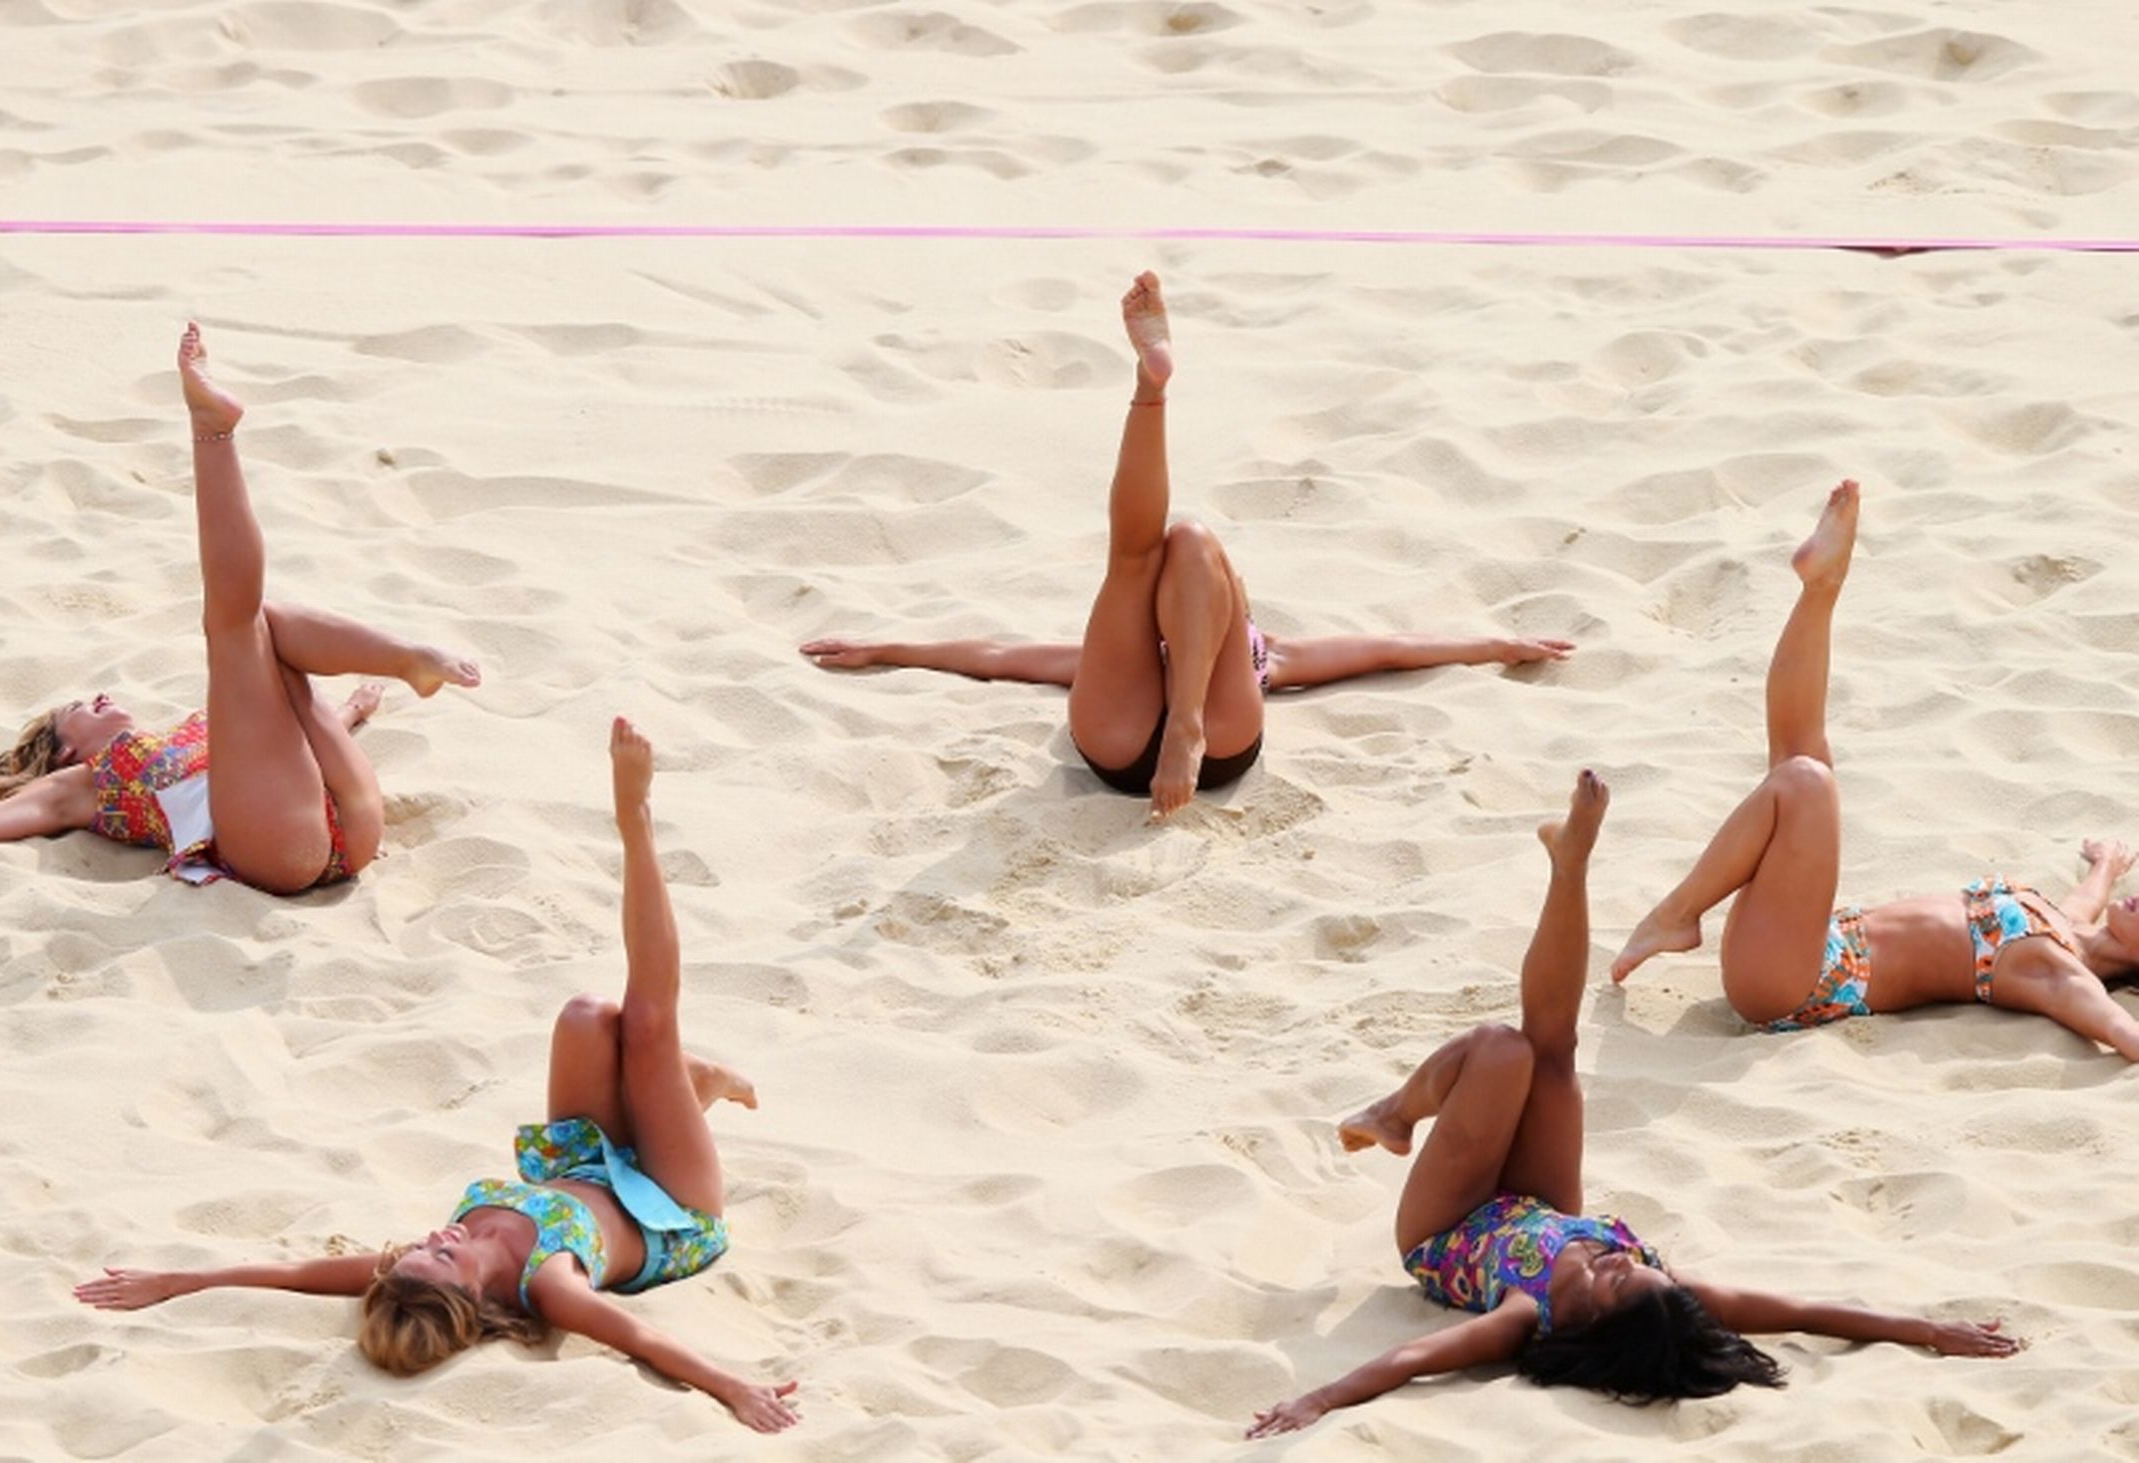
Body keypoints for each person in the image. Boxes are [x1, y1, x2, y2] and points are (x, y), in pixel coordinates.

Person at [75, 718, 801, 1434]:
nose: (430, 1240)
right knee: (644, 1024)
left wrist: (178, 1281)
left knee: (585, 1017)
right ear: (472, 1301)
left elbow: (295, 1273)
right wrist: (735, 1388)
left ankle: (682, 1086)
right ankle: (635, 824)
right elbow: (643, 1341)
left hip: (587, 1163)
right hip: (670, 1206)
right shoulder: (548, 1284)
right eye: (439, 1258)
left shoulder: (419, 1261)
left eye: (416, 1252)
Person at [1246, 770, 2017, 1438]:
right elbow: (1804, 1311)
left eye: (1611, 1278)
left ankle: (1398, 1112)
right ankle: (1569, 864)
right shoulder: (1657, 1284)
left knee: (1498, 1047)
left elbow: (1414, 1358)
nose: (1617, 1257)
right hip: (1542, 1202)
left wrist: (1317, 1399)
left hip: (1448, 1225)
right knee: (1552, 1050)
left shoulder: (1523, 1313)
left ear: (1585, 1323)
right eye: (1632, 1266)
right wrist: (1924, 1328)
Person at [799, 272, 1574, 820]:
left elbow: (997, 656)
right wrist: (1493, 643)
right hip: (1219, 740)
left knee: (1134, 557)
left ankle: (1151, 390)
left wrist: (884, 647)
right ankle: (1189, 721)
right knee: (1189, 538)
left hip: (1111, 742)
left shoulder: (1116, 657)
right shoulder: (1269, 658)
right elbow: (1393, 649)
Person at [0, 324, 480, 893]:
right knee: (234, 625)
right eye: (78, 706)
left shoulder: (186, 737)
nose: (100, 696)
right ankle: (212, 433)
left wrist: (351, 711)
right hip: (275, 848)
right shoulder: (79, 784)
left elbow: (271, 742)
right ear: (65, 748)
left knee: (260, 626)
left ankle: (407, 659)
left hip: (337, 807)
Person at [1611, 482, 2139, 1056]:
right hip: (1804, 941)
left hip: (1798, 984)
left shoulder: (2062, 974)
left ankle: (1678, 915)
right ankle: (1822, 587)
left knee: (1806, 783)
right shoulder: (2070, 923)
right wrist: (2106, 864)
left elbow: (2119, 1031)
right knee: (1800, 754)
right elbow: (2088, 898)